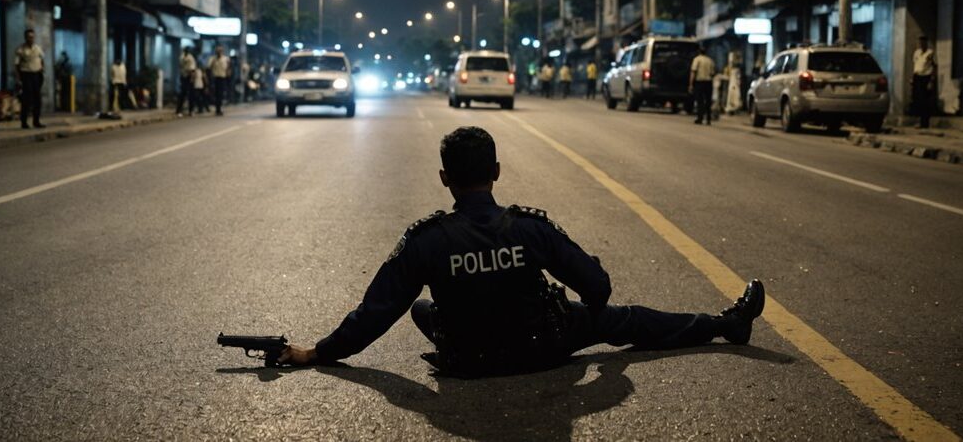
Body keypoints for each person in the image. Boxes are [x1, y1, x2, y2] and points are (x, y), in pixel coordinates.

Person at [277, 126, 765, 376]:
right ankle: (725, 324)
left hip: (468, 358)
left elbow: (374, 313)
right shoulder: (530, 228)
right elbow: (598, 286)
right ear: (497, 171)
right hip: (544, 346)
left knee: (421, 308)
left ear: (445, 179)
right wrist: (587, 317)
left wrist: (314, 352)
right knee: (624, 317)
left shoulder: (427, 239)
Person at [15, 28, 46, 129]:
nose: (31, 39)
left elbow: (42, 59)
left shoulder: (37, 48)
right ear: (25, 38)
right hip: (26, 74)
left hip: (36, 75)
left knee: (37, 99)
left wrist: (42, 70)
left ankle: (36, 121)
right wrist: (18, 78)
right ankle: (24, 122)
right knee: (27, 99)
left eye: (32, 37)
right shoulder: (21, 49)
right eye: (29, 37)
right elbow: (17, 64)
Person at [911, 35, 935, 129]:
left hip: (926, 77)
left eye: (922, 42)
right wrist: (912, 77)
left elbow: (934, 66)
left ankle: (925, 122)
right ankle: (919, 121)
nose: (921, 44)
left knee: (925, 101)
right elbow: (915, 65)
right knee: (918, 100)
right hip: (918, 77)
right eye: (919, 43)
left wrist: (931, 81)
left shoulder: (930, 53)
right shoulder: (917, 53)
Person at [689, 47, 715, 125]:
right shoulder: (710, 60)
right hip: (708, 83)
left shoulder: (697, 59)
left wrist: (690, 84)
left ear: (699, 52)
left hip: (699, 82)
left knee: (700, 101)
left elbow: (693, 72)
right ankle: (708, 119)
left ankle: (700, 118)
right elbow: (713, 73)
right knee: (708, 101)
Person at [208, 45, 230, 116]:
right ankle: (217, 109)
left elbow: (228, 68)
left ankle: (219, 109)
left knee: (220, 94)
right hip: (215, 78)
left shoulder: (225, 59)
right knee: (215, 94)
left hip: (223, 78)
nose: (219, 52)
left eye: (220, 51)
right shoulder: (212, 59)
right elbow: (209, 68)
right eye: (217, 51)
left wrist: (228, 76)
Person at [177, 47, 197, 117]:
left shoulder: (190, 58)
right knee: (182, 94)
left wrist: (192, 78)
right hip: (183, 76)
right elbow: (180, 66)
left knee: (191, 94)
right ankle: (179, 110)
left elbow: (192, 69)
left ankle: (191, 110)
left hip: (189, 77)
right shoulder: (181, 57)